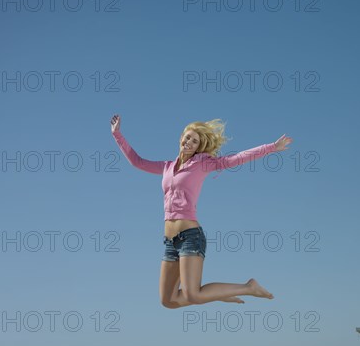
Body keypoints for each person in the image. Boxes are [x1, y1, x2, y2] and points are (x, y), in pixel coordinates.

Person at [110, 114, 293, 309]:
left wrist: (272, 147)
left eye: (195, 141)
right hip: (170, 241)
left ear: (199, 147)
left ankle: (248, 287)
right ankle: (215, 294)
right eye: (188, 137)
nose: (189, 142)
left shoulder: (203, 164)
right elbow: (137, 161)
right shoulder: (167, 167)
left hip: (190, 237)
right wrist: (117, 134)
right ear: (181, 138)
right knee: (168, 301)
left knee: (193, 295)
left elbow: (236, 159)